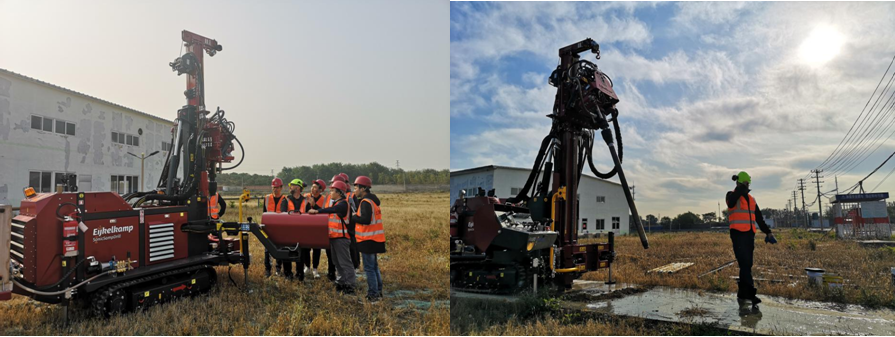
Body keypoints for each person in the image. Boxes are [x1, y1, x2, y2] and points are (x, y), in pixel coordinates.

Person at [726, 171, 777, 306]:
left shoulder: (752, 200)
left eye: (748, 184)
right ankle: (751, 294)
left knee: (747, 264)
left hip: (749, 235)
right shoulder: (731, 195)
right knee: (745, 263)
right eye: (745, 184)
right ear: (739, 183)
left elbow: (759, 218)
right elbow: (731, 203)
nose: (747, 186)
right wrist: (739, 188)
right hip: (737, 234)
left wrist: (768, 232)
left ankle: (742, 294)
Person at [309, 180, 355, 294]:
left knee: (345, 262)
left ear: (339, 192)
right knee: (336, 262)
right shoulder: (336, 203)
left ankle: (350, 285)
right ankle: (341, 282)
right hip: (334, 237)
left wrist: (316, 211)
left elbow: (331, 210)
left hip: (341, 238)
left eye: (332, 191)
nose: (330, 193)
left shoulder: (343, 204)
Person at [351, 176, 385, 302]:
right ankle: (378, 292)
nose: (354, 190)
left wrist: (354, 217)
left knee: (369, 268)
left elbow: (365, 220)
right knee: (374, 267)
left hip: (368, 240)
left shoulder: (365, 202)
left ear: (363, 188)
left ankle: (373, 296)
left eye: (356, 188)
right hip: (375, 239)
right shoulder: (373, 201)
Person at [279, 178, 309, 281]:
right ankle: (288, 275)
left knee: (301, 255)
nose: (290, 187)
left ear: (297, 188)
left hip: (302, 232)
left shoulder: (306, 201)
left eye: (291, 185)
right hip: (288, 231)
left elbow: (310, 215)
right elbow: (282, 214)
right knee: (286, 253)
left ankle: (300, 276)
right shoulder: (286, 200)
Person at [302, 179, 330, 279]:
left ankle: (315, 268)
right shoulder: (306, 196)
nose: (312, 189)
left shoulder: (324, 200)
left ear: (320, 190)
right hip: (306, 226)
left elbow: (324, 212)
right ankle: (307, 266)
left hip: (318, 227)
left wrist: (314, 205)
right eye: (312, 186)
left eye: (315, 187)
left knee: (316, 248)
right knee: (305, 247)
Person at [264, 178, 287, 278]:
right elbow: (264, 212)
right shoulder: (267, 198)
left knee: (279, 248)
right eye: (273, 188)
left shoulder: (285, 199)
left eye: (277, 188)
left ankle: (278, 268)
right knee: (267, 250)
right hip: (268, 227)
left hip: (280, 228)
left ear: (281, 188)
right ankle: (267, 270)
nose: (275, 190)